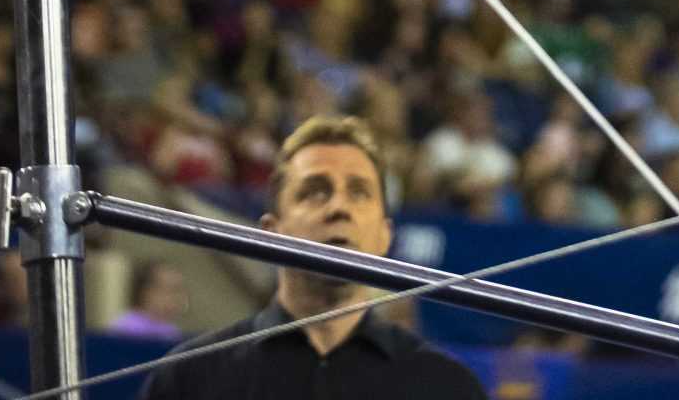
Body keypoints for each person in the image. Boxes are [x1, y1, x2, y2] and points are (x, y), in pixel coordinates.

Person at [140, 114, 480, 395]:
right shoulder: (190, 379)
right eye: (315, 192)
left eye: (359, 193)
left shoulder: (446, 387)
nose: (338, 207)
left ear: (384, 236)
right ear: (271, 233)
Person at [108, 259, 191, 340]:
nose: (176, 297)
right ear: (145, 291)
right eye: (169, 289)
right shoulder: (124, 328)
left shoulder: (172, 333)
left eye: (178, 290)